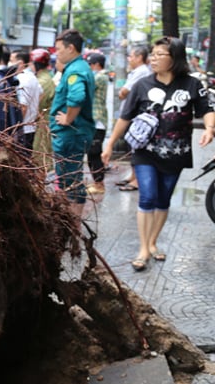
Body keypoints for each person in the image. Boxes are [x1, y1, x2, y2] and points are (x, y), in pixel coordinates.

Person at [101, 36, 215, 271]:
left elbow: (207, 109)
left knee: (163, 199)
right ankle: (143, 248)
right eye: (152, 54)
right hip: (145, 152)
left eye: (159, 54)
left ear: (174, 58)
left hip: (176, 153)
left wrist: (210, 128)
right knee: (147, 196)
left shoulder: (192, 84)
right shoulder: (142, 85)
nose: (153, 58)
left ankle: (153, 242)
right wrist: (110, 143)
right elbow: (125, 117)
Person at [50, 28, 96, 217]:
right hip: (74, 134)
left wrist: (68, 118)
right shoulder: (79, 67)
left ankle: (72, 226)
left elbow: (77, 97)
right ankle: (73, 227)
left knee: (71, 182)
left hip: (70, 135)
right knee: (71, 179)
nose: (57, 53)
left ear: (71, 48)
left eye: (59, 49)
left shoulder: (75, 71)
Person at [115, 46, 152, 191]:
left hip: (135, 115)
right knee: (131, 146)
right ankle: (133, 176)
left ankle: (137, 180)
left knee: (135, 147)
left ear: (139, 57)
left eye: (131, 56)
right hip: (132, 113)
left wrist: (123, 93)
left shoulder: (142, 72)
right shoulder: (137, 72)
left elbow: (124, 92)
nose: (129, 59)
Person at [86, 52, 110, 194]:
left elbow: (87, 85)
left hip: (97, 120)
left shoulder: (100, 77)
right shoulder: (100, 76)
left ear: (96, 65)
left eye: (90, 65)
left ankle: (99, 184)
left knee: (94, 154)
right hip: (95, 120)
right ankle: (97, 182)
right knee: (92, 154)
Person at [30, 48, 57, 174]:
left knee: (40, 159)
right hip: (41, 122)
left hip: (42, 123)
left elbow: (36, 105)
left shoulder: (43, 81)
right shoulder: (42, 79)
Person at [10, 50, 42, 152]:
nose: (9, 64)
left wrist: (16, 128)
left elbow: (23, 107)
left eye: (11, 61)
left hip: (23, 129)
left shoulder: (22, 80)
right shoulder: (32, 77)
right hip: (30, 127)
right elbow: (41, 93)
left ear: (20, 63)